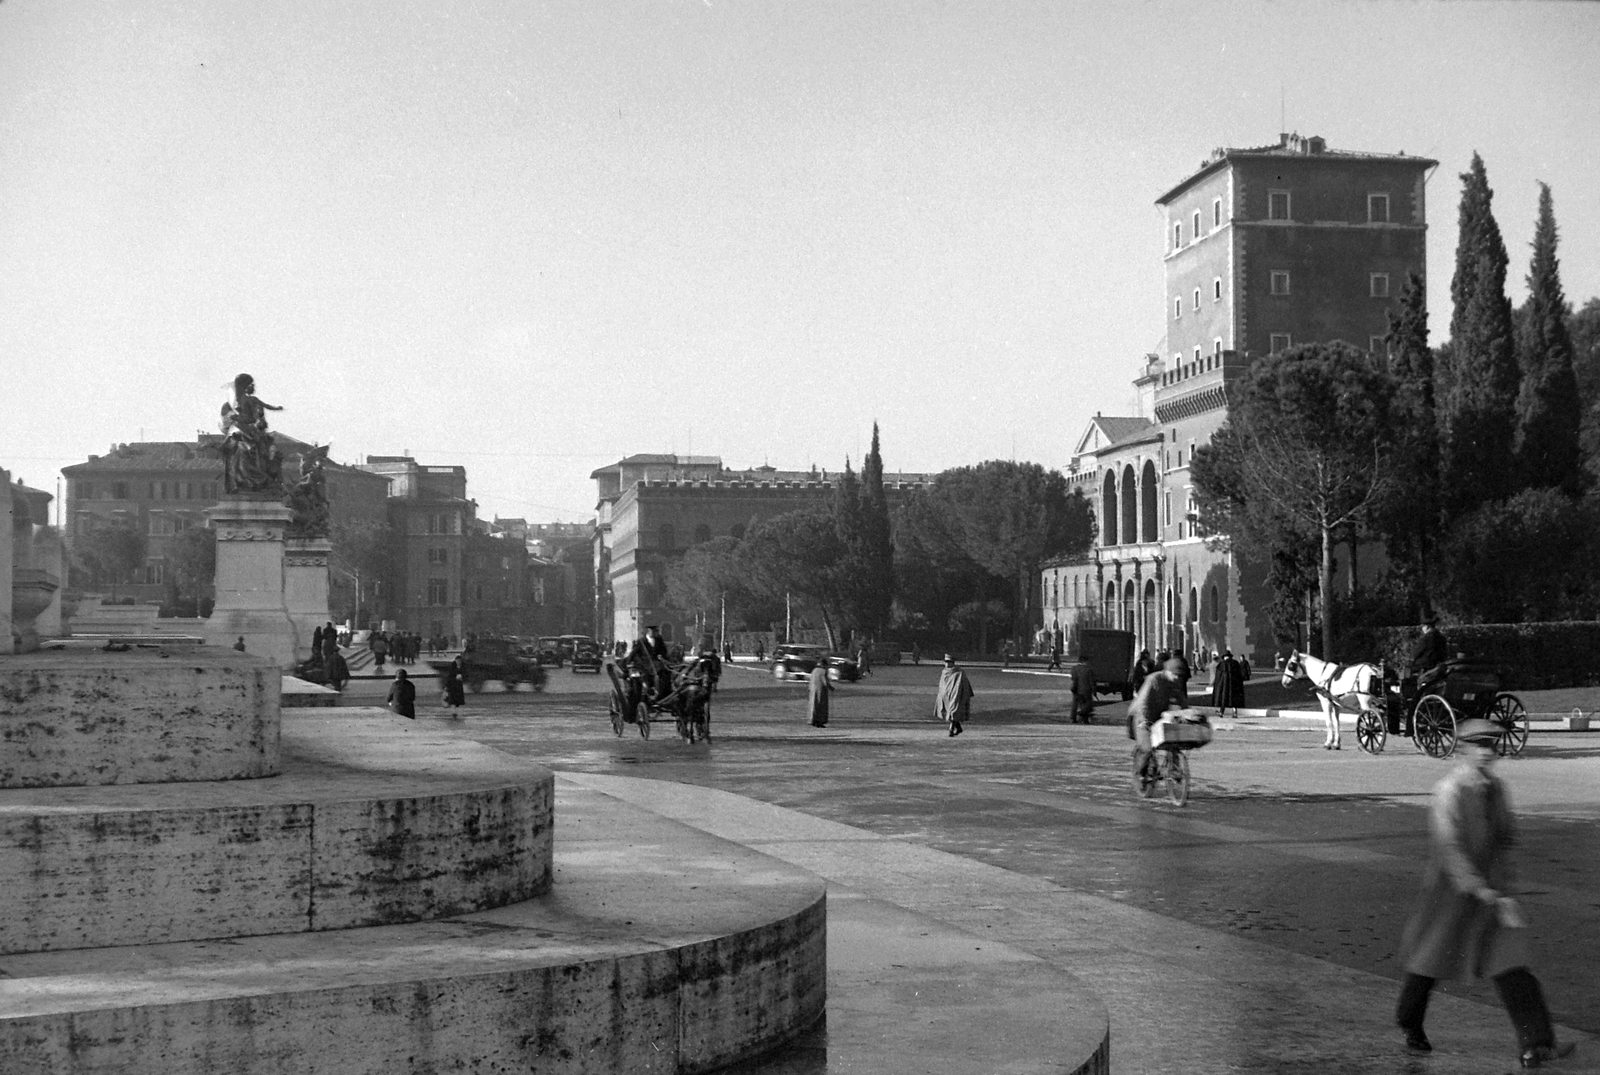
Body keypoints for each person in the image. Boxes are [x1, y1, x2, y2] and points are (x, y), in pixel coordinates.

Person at [1395, 719, 1574, 1068]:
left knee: (1510, 964)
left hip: (1492, 892)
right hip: (1451, 892)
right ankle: (1409, 1021)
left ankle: (1536, 1044)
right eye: (1480, 746)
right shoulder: (1449, 791)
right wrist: (1485, 892)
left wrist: (1503, 888)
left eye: (1492, 746)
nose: (1488, 753)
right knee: (1430, 959)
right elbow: (1450, 850)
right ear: (1462, 750)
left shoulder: (1497, 788)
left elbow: (1506, 838)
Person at [1129, 657, 1188, 774]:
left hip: (1159, 716)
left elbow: (1182, 700)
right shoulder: (1154, 679)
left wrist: (1187, 715)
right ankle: (1140, 773)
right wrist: (1144, 721)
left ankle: (1173, 768)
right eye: (1174, 674)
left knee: (1172, 743)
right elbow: (1143, 701)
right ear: (1166, 671)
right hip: (1141, 715)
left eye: (1179, 675)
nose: (1177, 677)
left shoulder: (1175, 682)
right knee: (1147, 749)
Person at [935, 654, 975, 737]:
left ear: (953, 662)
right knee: (950, 713)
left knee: (953, 711)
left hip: (956, 696)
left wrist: (964, 694)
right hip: (946, 697)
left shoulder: (959, 673)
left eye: (949, 662)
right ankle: (958, 728)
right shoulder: (944, 672)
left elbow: (965, 685)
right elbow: (942, 685)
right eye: (946, 662)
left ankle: (951, 729)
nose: (947, 664)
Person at [1411, 611, 1451, 692]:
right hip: (1439, 666)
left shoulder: (1426, 639)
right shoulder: (1441, 638)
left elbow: (1415, 653)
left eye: (1423, 626)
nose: (1422, 629)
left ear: (1427, 627)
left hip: (1427, 667)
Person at [1211, 649, 1246, 717]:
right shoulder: (1235, 663)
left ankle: (1221, 712)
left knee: (1223, 699)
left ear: (1224, 657)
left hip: (1224, 687)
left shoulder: (1221, 664)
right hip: (1234, 686)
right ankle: (1235, 713)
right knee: (1234, 699)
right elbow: (1240, 675)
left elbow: (1218, 677)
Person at [1069, 656, 1096, 723]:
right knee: (1086, 704)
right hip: (1086, 690)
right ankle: (1084, 718)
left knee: (1075, 704)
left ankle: (1073, 718)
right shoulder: (1088, 670)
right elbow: (1091, 682)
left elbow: (1073, 678)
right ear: (1085, 662)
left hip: (1076, 689)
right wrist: (1094, 691)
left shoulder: (1074, 669)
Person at [807, 660, 831, 727]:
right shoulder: (823, 671)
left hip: (812, 690)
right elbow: (825, 682)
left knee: (813, 705)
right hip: (821, 690)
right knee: (821, 706)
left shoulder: (814, 670)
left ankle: (811, 720)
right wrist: (831, 688)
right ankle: (819, 721)